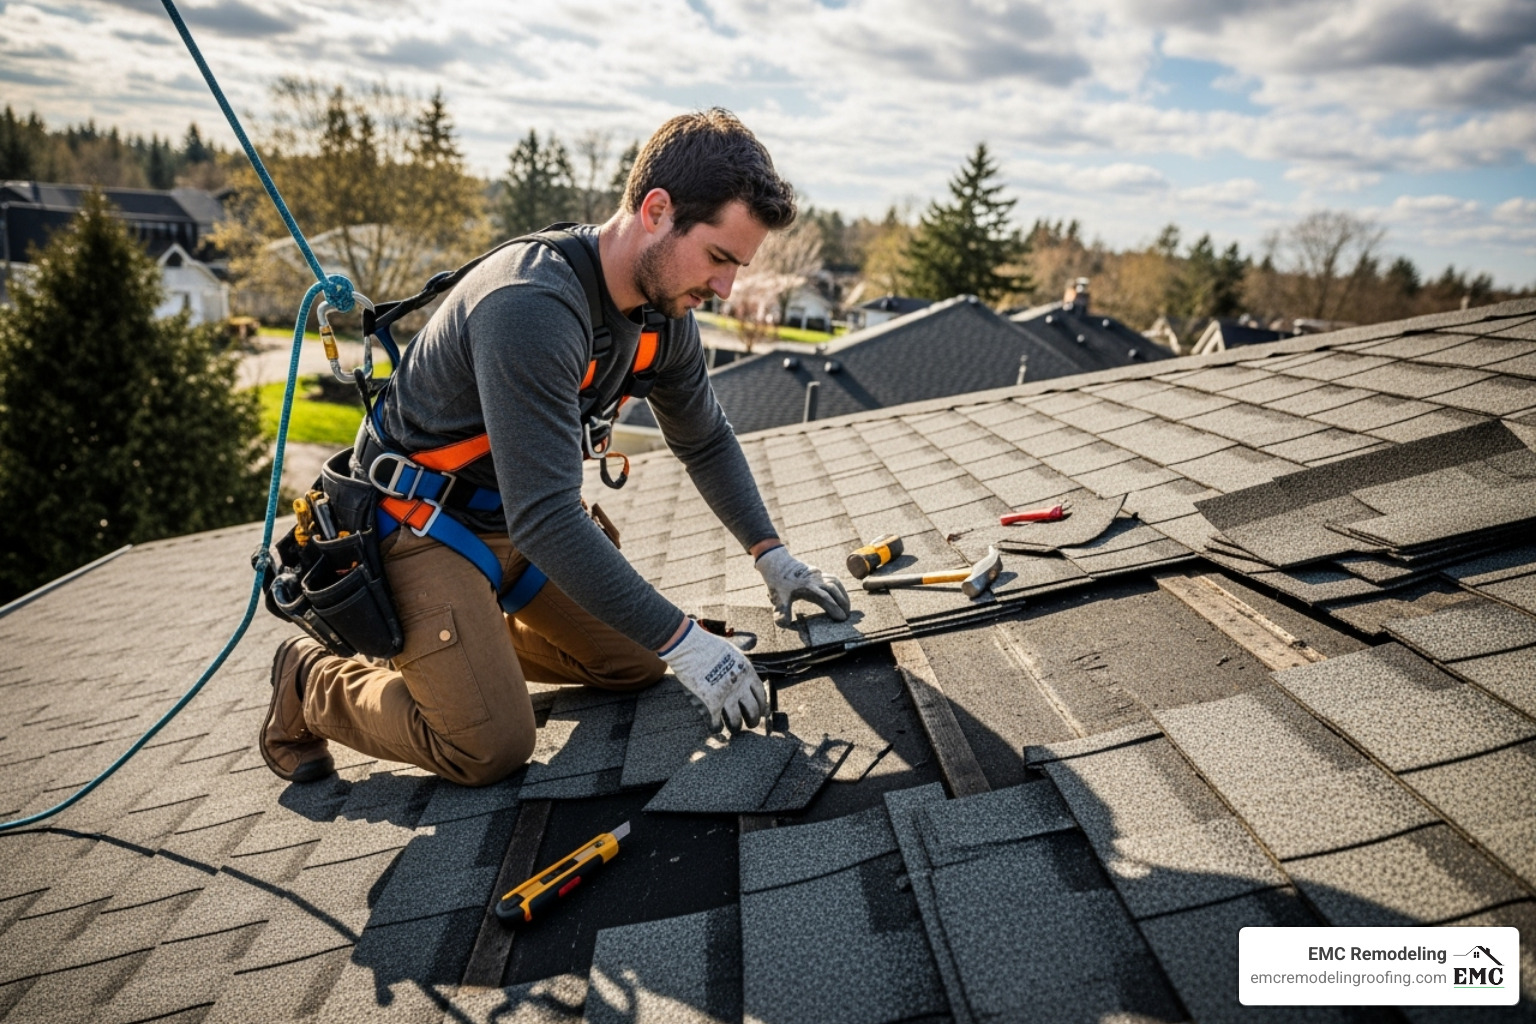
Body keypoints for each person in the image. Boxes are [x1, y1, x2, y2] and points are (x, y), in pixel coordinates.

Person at [262, 108, 851, 787]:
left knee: (636, 663)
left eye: (738, 266)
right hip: (421, 529)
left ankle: (458, 652)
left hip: (514, 529)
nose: (725, 289)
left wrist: (772, 556)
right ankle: (311, 684)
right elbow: (548, 516)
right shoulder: (531, 303)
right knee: (488, 746)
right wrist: (692, 643)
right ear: (656, 210)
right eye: (720, 258)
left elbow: (705, 438)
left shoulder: (664, 312)